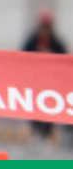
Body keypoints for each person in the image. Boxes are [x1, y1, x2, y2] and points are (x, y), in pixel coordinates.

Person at [22, 9, 67, 140]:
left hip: (51, 84)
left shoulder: (57, 43)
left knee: (49, 111)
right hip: (34, 83)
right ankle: (35, 132)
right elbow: (22, 58)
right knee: (33, 109)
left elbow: (64, 61)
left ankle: (47, 133)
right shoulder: (32, 41)